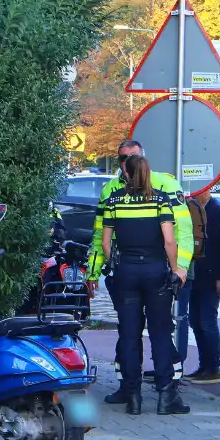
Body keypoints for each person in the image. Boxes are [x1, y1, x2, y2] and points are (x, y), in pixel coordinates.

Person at [87, 140, 193, 402]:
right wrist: (94, 271)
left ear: (142, 158)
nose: (127, 163)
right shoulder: (111, 189)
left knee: (148, 331)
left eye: (132, 157)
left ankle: (162, 389)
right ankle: (132, 389)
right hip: (148, 270)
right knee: (135, 332)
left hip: (146, 271)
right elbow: (99, 234)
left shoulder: (166, 185)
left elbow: (183, 232)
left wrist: (180, 268)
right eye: (122, 158)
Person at [184, 189, 220, 384]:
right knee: (196, 321)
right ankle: (204, 366)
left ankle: (213, 368)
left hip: (211, 276)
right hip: (198, 276)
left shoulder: (218, 211)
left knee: (206, 321)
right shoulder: (196, 209)